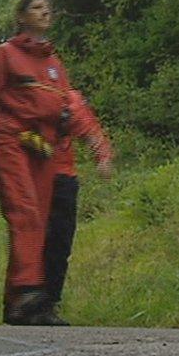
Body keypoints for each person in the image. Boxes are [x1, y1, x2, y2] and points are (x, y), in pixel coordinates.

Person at [0, 0, 100, 325]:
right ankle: (29, 291)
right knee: (25, 213)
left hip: (44, 149)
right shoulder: (6, 55)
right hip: (11, 142)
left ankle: (20, 305)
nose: (45, 13)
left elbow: (69, 105)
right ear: (22, 16)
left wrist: (94, 142)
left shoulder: (54, 64)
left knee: (38, 221)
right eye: (37, 8)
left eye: (48, 9)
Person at [41, 91, 112, 325]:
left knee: (59, 242)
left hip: (61, 177)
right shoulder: (21, 95)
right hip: (30, 178)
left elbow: (87, 128)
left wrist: (102, 157)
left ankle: (48, 302)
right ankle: (23, 301)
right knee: (30, 242)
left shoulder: (67, 98)